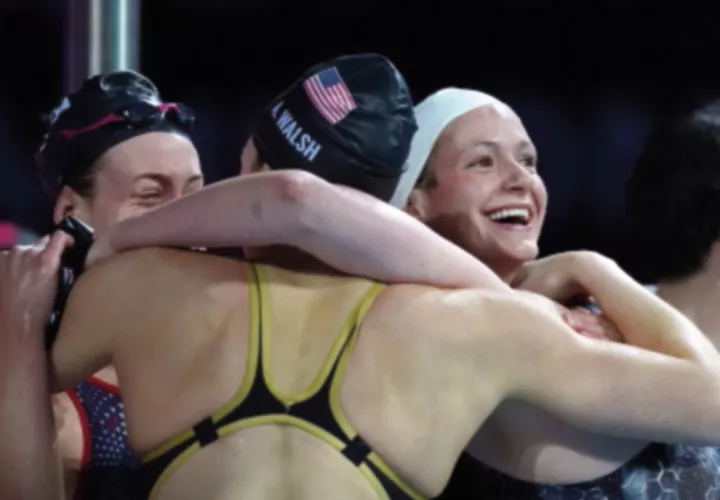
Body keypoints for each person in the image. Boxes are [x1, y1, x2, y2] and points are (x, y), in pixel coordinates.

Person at [43, 61, 720, 500]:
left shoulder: (511, 322)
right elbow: (296, 200)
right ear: (406, 199)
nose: (519, 179)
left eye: (530, 158)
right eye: (483, 161)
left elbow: (292, 198)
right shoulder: (492, 324)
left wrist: (587, 270)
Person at [0, 61, 507, 500]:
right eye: (151, 196)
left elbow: (302, 205)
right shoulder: (45, 379)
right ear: (71, 213)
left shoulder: (248, 324)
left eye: (197, 196)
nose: (180, 222)